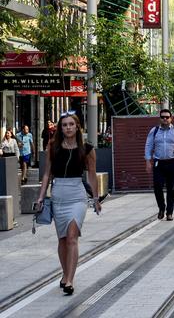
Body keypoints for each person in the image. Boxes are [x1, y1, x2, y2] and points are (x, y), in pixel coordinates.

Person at [36, 113, 102, 295]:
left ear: (78, 127)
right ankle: (65, 274)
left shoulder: (87, 149)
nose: (68, 128)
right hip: (58, 195)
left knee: (72, 236)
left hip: (77, 196)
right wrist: (41, 197)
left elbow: (91, 175)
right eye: (64, 125)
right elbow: (47, 174)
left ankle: (70, 280)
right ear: (60, 128)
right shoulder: (53, 147)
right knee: (63, 239)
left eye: (71, 124)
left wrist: (96, 199)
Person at [144, 109, 174, 220]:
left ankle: (169, 213)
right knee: (157, 187)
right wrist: (148, 161)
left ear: (171, 118)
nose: (165, 119)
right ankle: (161, 207)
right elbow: (148, 146)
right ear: (159, 118)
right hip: (158, 163)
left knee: (171, 188)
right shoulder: (154, 131)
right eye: (163, 117)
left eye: (167, 117)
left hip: (172, 162)